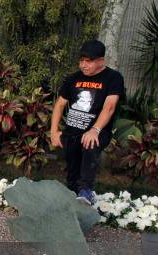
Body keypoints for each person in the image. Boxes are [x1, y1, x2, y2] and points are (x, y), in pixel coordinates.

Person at [50, 39, 125, 205]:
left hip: (97, 132)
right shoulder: (73, 78)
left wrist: (95, 130)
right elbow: (60, 104)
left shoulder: (113, 78)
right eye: (81, 60)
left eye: (88, 61)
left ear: (101, 61)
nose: (84, 65)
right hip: (71, 132)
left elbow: (110, 106)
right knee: (72, 172)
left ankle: (86, 191)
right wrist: (54, 131)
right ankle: (73, 198)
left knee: (90, 143)